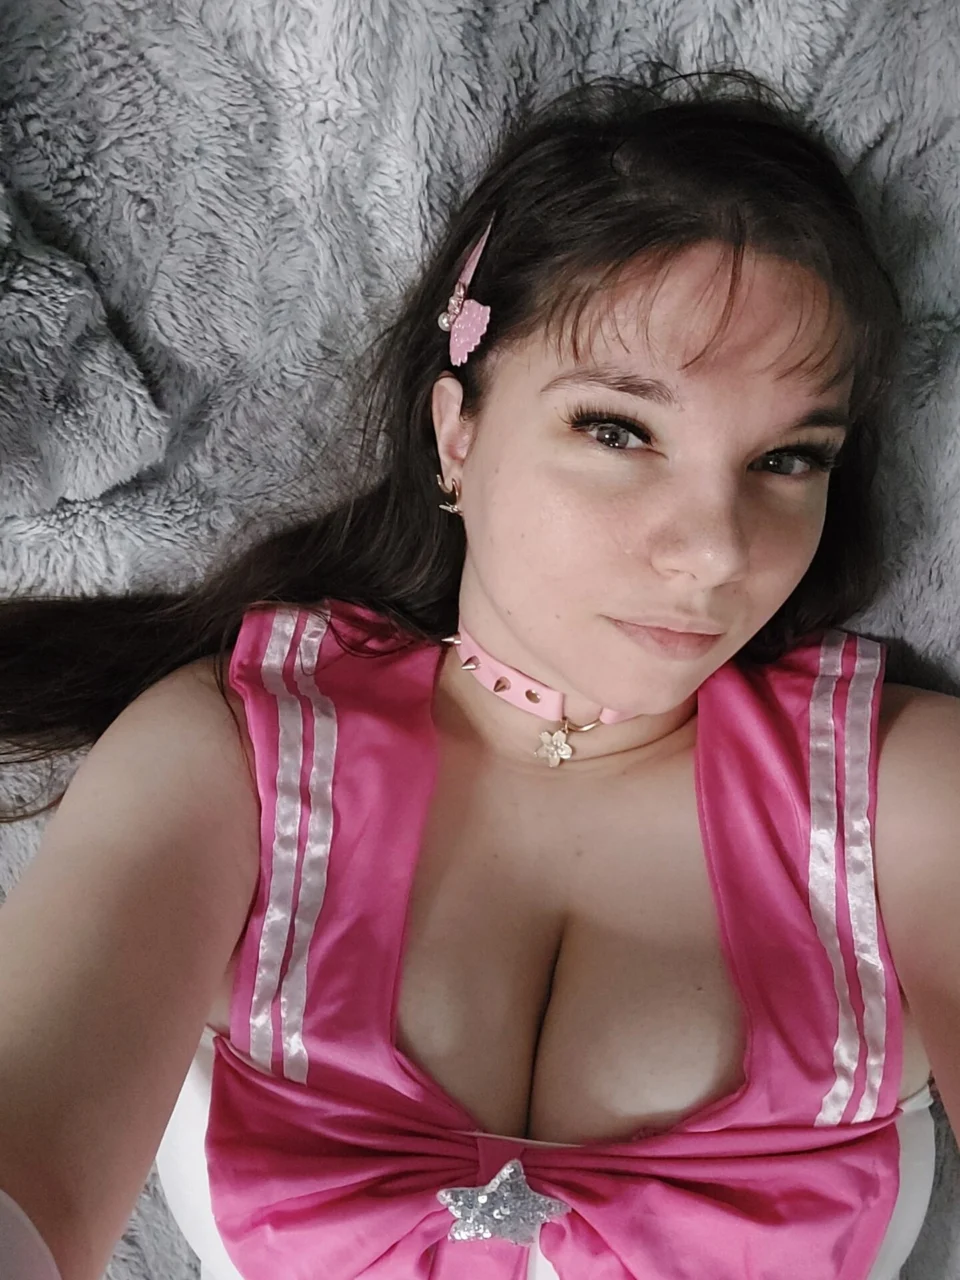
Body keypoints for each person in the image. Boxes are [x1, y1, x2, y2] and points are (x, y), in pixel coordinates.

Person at [0, 60, 947, 1280]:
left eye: (788, 459)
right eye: (618, 429)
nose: (716, 549)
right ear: (458, 431)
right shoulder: (229, 755)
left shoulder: (906, 796)